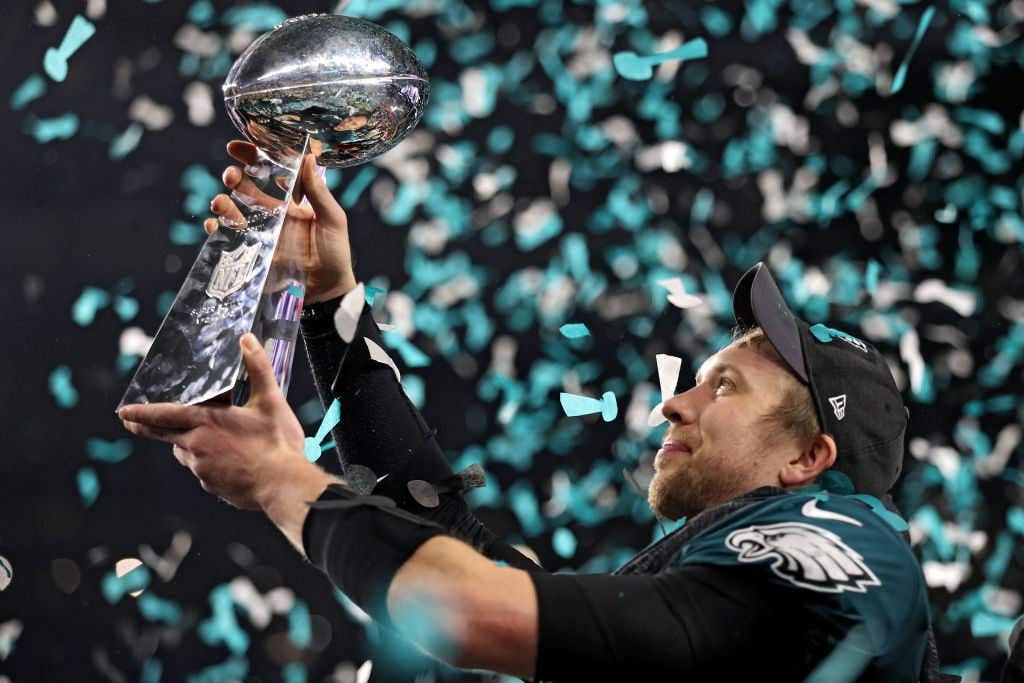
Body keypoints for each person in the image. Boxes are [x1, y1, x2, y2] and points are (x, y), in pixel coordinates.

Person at [120, 141, 961, 682]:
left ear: (809, 458)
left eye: (725, 386)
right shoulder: (726, 584)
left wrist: (279, 478)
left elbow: (476, 608)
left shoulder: (846, 542)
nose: (676, 399)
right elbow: (474, 557)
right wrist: (331, 303)